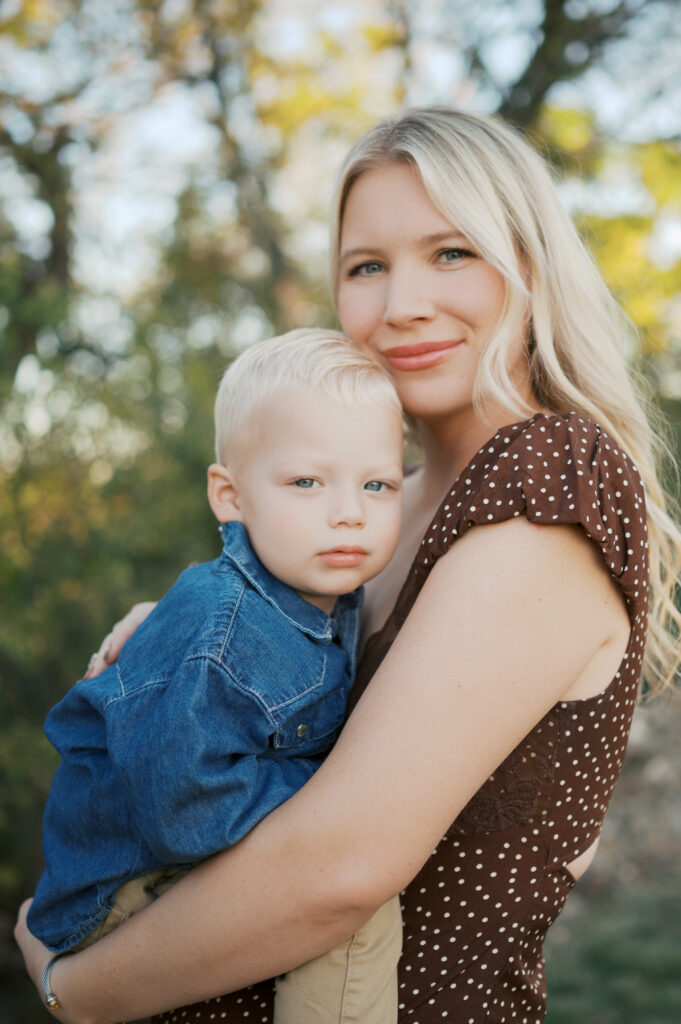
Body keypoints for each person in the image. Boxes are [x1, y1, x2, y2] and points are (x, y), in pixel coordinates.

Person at [15, 107, 681, 1024]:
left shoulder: (544, 477)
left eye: (451, 253)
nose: (401, 303)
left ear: (529, 264)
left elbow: (340, 869)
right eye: (367, 267)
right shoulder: (372, 506)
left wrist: (72, 988)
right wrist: (178, 631)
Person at [25, 328, 405, 1022]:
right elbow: (183, 805)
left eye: (376, 483)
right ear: (230, 496)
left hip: (174, 851)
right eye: (306, 481)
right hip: (122, 886)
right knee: (352, 912)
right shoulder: (220, 629)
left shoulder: (327, 593)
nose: (349, 509)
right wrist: (336, 794)